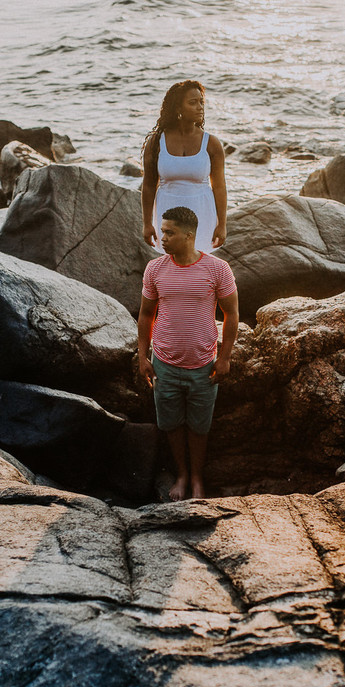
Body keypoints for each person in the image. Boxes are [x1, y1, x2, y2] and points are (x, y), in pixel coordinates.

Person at [138, 205, 239, 501]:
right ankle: (182, 474)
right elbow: (145, 315)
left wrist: (225, 357)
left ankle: (197, 478)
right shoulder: (155, 269)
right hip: (164, 364)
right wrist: (143, 356)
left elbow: (232, 314)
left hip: (204, 365)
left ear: (189, 235)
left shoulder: (217, 269)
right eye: (162, 231)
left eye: (169, 232)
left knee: (199, 426)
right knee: (170, 424)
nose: (162, 238)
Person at [141, 79, 227, 254]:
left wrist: (222, 224)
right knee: (171, 266)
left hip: (202, 213)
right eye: (193, 103)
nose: (200, 107)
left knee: (199, 266)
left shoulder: (211, 143)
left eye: (201, 102)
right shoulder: (157, 142)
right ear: (178, 108)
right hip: (167, 211)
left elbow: (219, 187)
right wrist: (147, 223)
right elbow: (149, 185)